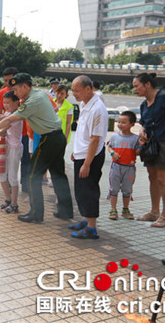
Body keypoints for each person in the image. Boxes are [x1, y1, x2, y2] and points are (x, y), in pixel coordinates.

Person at [0, 73, 73, 223]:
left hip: (49, 139)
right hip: (57, 137)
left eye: (16, 89)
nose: (15, 93)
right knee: (58, 175)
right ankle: (65, 211)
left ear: (25, 86)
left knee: (33, 175)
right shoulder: (39, 94)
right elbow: (16, 115)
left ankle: (36, 213)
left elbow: (12, 118)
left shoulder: (32, 100)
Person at [133, 72, 165, 227]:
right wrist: (142, 132)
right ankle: (154, 212)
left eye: (136, 86)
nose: (135, 89)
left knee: (162, 178)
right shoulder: (143, 105)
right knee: (152, 177)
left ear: (147, 84)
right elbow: (144, 123)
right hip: (150, 145)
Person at [68, 75, 108, 239]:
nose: (74, 94)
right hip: (82, 154)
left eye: (77, 91)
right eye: (73, 91)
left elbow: (95, 139)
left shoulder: (97, 109)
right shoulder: (85, 104)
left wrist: (86, 163)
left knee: (89, 191)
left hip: (90, 157)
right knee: (81, 191)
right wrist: (76, 151)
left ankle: (91, 228)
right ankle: (86, 220)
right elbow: (83, 134)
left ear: (88, 89)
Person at [106, 111, 144, 221]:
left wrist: (141, 146)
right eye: (119, 121)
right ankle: (113, 209)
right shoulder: (114, 137)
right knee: (114, 188)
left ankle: (125, 209)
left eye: (123, 122)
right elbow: (109, 146)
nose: (120, 124)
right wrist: (112, 153)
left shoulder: (135, 138)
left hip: (129, 168)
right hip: (116, 167)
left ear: (132, 124)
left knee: (127, 190)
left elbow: (136, 153)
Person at [0, 91, 23, 214]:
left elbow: (2, 130)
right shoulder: (7, 114)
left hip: (14, 148)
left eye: (8, 103)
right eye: (4, 103)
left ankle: (15, 204)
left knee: (12, 176)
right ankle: (8, 199)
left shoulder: (17, 115)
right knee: (1, 174)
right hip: (4, 146)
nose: (6, 105)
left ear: (16, 102)